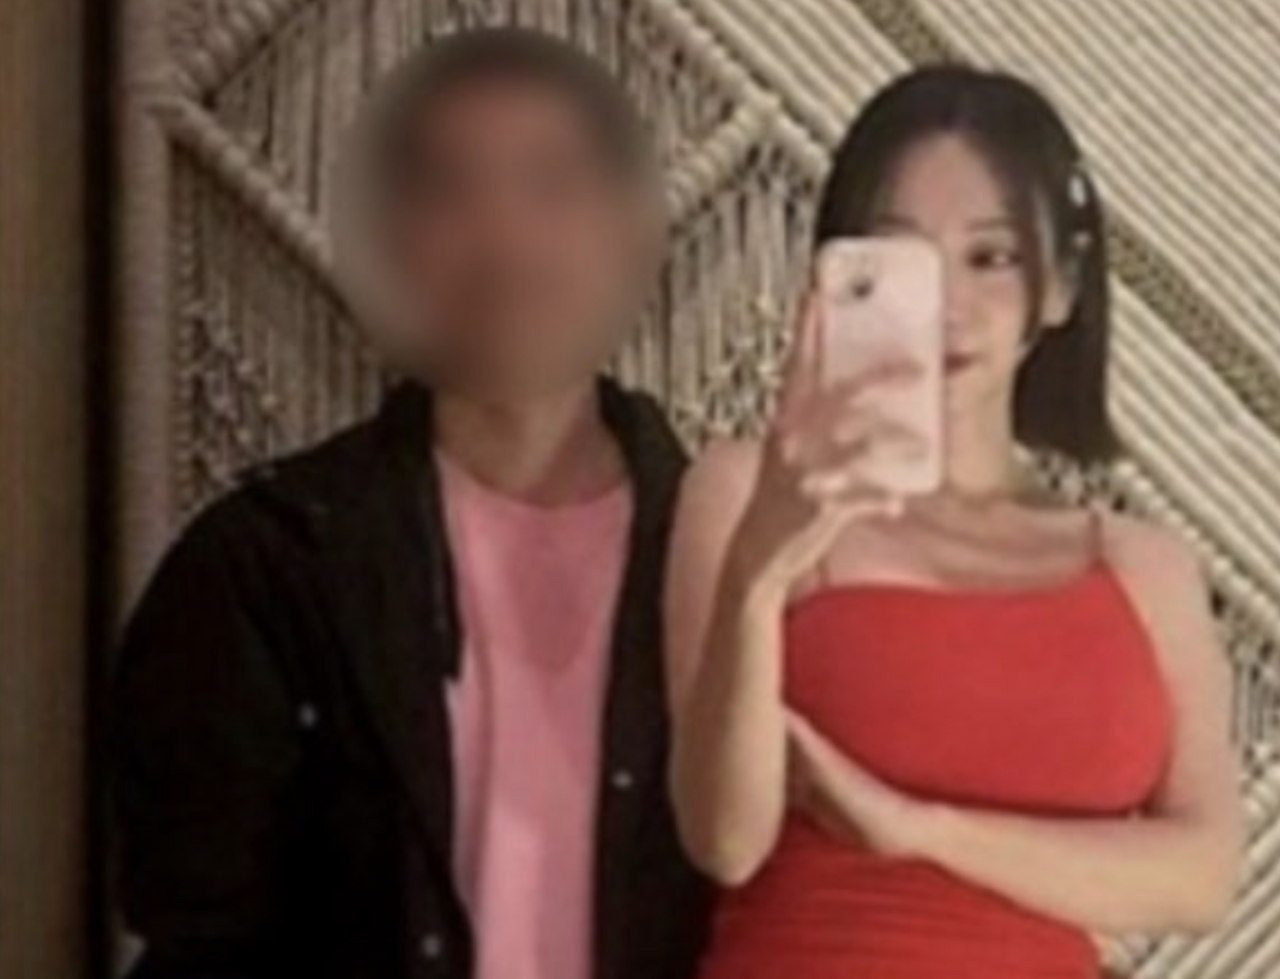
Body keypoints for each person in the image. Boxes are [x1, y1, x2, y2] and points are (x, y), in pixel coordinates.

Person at [111, 28, 711, 979]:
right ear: (393, 239)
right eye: (452, 191)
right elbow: (196, 928)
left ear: (633, 238)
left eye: (552, 185)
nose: (506, 239)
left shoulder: (737, 561)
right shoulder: (266, 566)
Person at [665, 65, 1244, 979]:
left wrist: (918, 827)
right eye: (903, 258)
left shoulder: (1146, 566)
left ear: (1059, 288)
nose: (945, 303)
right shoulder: (743, 488)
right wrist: (760, 569)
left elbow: (1201, 875)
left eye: (991, 257)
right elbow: (723, 839)